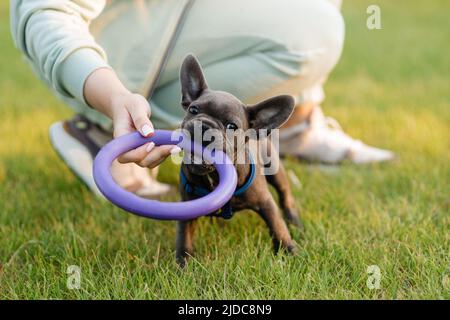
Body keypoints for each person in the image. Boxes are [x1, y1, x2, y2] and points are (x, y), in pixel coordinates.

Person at [10, 0, 393, 198]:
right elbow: (46, 14)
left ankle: (296, 124)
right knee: (318, 30)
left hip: (181, 22)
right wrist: (112, 95)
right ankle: (110, 126)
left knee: (316, 21)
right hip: (106, 57)